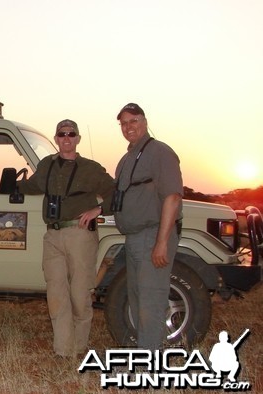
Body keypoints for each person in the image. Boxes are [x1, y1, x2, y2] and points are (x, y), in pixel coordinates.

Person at [16, 119, 115, 358]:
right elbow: (30, 186)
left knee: (79, 295)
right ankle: (63, 351)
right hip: (53, 235)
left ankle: (79, 348)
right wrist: (1, 187)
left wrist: (98, 210)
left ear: (78, 138)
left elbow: (115, 192)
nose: (66, 138)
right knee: (56, 294)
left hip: (79, 234)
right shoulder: (47, 165)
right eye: (62, 134)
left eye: (71, 134)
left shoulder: (90, 168)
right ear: (57, 138)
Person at [113, 103, 183, 351]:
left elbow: (172, 198)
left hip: (153, 235)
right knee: (137, 300)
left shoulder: (160, 152)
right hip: (133, 238)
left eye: (134, 121)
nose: (128, 127)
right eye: (124, 123)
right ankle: (145, 354)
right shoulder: (127, 159)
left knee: (150, 302)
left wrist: (161, 242)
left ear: (144, 121)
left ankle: (150, 364)